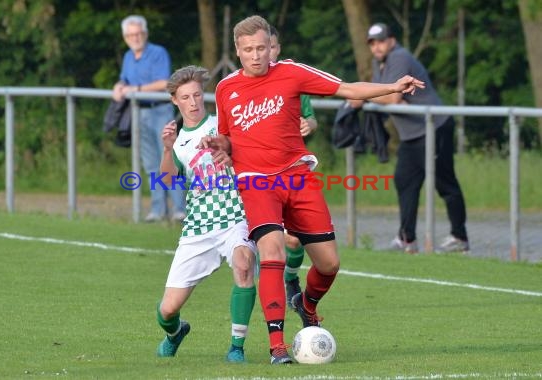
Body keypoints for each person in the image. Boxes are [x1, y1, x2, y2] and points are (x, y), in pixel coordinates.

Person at [199, 15, 425, 364]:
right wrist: (220, 143)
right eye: (248, 50)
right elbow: (228, 137)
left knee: (329, 263)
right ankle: (277, 347)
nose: (256, 55)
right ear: (237, 50)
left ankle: (306, 304)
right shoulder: (225, 88)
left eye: (261, 47)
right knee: (271, 253)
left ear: (270, 46)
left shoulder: (291, 72)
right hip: (256, 182)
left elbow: (348, 89)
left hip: (297, 177)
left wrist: (392, 87)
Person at [155, 65, 257, 363]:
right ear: (175, 100)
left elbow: (246, 153)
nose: (193, 102)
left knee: (243, 263)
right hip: (198, 226)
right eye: (186, 97)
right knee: (167, 310)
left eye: (197, 95)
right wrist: (167, 149)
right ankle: (175, 333)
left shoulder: (221, 125)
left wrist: (228, 150)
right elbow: (166, 180)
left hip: (235, 216)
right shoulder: (178, 140)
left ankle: (237, 347)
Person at [353, 23, 469, 254]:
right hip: (413, 134)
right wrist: (376, 97)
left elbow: (392, 99)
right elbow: (386, 96)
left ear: (392, 40)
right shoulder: (380, 63)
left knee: (445, 183)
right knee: (404, 180)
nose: (376, 47)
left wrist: (364, 99)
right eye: (372, 43)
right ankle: (407, 239)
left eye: (381, 41)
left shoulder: (399, 57)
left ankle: (460, 237)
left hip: (434, 127)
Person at [112, 15, 186, 223]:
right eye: (130, 35)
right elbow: (125, 79)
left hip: (160, 110)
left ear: (145, 34)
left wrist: (135, 89)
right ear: (125, 37)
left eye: (138, 33)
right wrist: (119, 86)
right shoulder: (128, 56)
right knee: (150, 163)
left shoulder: (158, 53)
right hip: (139, 111)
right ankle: (158, 209)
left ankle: (180, 209)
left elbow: (164, 82)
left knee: (170, 159)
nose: (135, 38)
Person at [268, 26, 316, 310]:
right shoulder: (243, 84)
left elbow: (310, 117)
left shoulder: (293, 81)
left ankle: (289, 278)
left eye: (271, 47)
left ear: (278, 48)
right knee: (270, 241)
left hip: (294, 169)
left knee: (295, 239)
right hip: (262, 174)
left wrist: (310, 124)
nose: (267, 53)